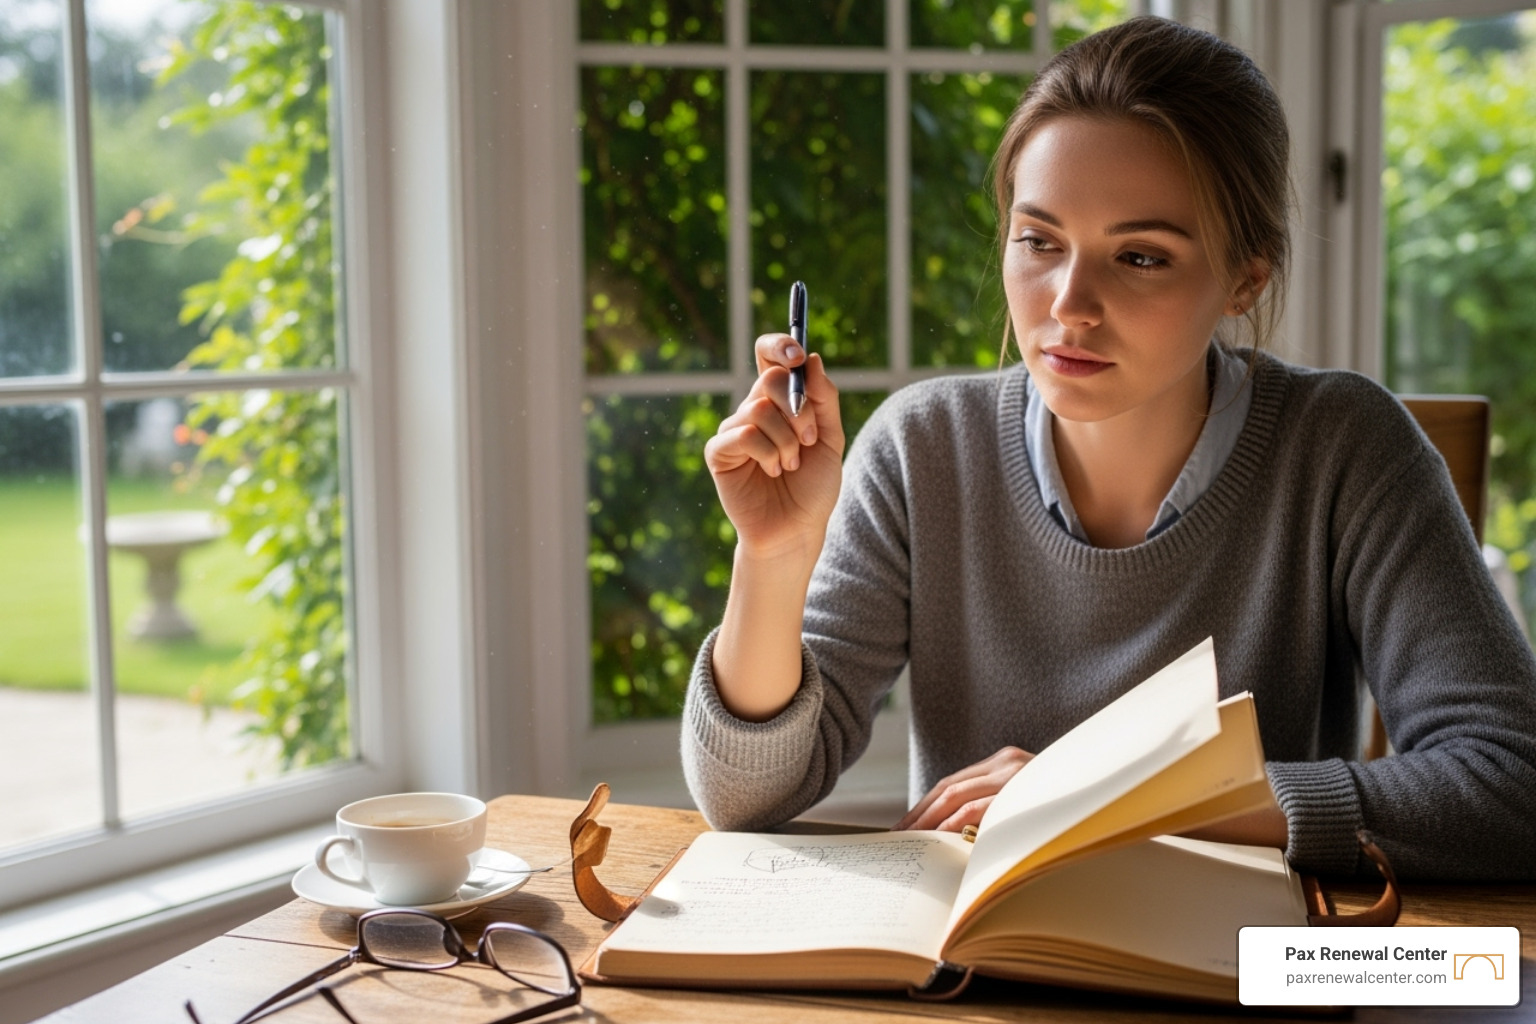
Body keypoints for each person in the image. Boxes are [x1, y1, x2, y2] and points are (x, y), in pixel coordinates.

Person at [682, 16, 1536, 881]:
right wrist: (776, 554)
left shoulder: (1345, 448)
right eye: (1039, 241)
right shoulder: (922, 447)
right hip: (978, 997)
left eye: (1138, 256)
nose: (1069, 305)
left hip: (1240, 983)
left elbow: (1515, 786)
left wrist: (1116, 798)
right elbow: (743, 797)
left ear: (1247, 276)